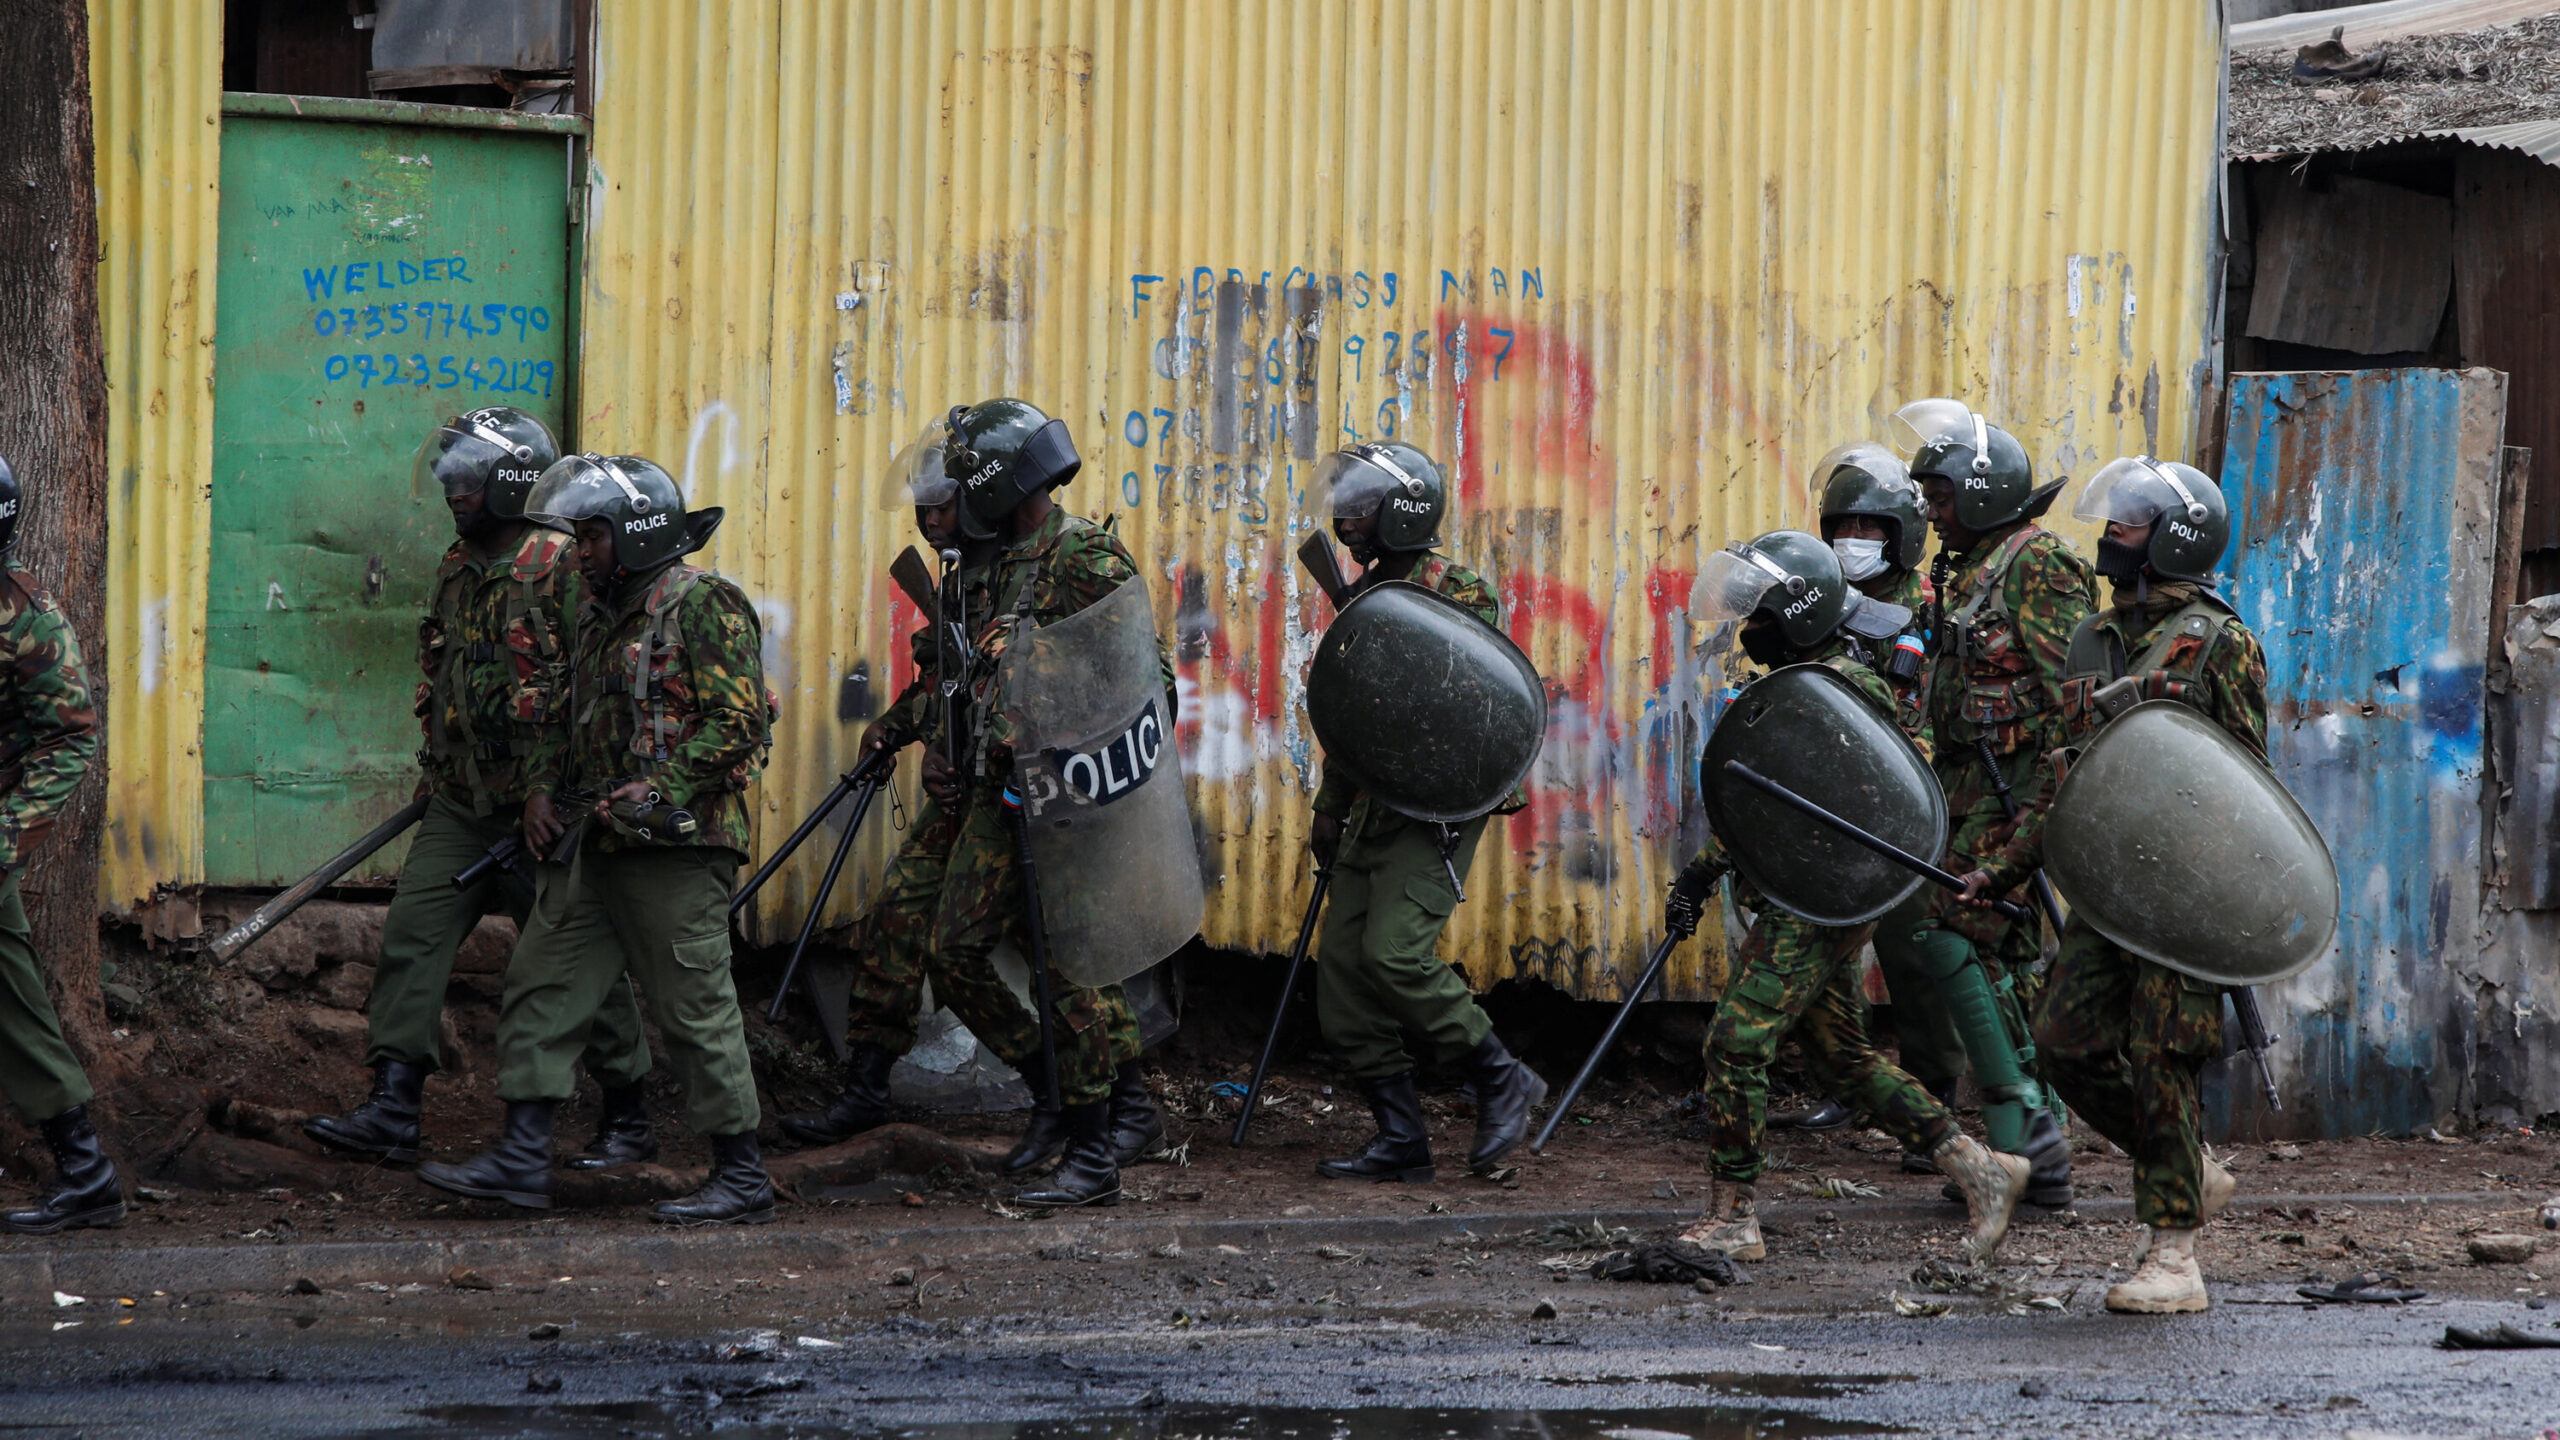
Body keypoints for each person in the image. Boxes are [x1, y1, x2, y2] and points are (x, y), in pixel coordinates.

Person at [776, 424, 1166, 1176]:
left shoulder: (1077, 558)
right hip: (976, 789)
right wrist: (915, 738)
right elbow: (953, 683)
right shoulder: (968, 575)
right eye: (924, 509)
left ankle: (1117, 1104)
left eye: (944, 506)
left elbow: (1140, 682)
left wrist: (1067, 760)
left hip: (1054, 796)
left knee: (1062, 954)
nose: (931, 522)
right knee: (906, 920)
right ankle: (901, 1082)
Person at [419, 453, 777, 1223]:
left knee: (694, 1009)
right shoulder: (593, 613)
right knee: (542, 987)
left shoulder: (704, 604)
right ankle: (520, 1159)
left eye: (593, 539)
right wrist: (543, 790)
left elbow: (741, 719)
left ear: (639, 534)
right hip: (594, 841)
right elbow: (566, 718)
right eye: (579, 539)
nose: (580, 554)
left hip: (676, 850)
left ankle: (743, 1174)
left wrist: (669, 786)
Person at [304, 409, 655, 1170]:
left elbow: (590, 685)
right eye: (450, 477)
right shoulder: (457, 565)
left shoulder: (564, 566)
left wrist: (560, 793)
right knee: (412, 941)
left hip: (547, 812)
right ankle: (394, 1106)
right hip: (464, 803)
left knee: (572, 963)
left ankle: (628, 1111)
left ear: (515, 480)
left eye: (469, 478)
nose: (453, 491)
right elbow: (446, 672)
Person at [1666, 530, 2028, 1262]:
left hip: (1821, 896)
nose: (1748, 629)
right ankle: (1979, 1169)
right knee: (1842, 1058)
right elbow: (1768, 809)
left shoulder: (1842, 691)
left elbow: (1876, 803)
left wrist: (1719, 870)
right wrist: (1704, 873)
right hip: (1802, 887)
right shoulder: (1804, 687)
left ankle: (1734, 1215)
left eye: (1759, 614)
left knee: (1736, 1044)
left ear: (1796, 616)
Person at [2034, 456, 2258, 1313]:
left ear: (2174, 537)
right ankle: (2189, 1168)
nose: (2110, 534)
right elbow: (2066, 770)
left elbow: (2251, 783)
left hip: (2187, 888)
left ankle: (2175, 1255)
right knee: (2062, 1039)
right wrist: (2013, 866)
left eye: (2128, 521)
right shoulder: (2094, 639)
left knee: (2165, 1058)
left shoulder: (2223, 643)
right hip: (2110, 883)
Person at [1303, 442, 1547, 1184]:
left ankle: (1503, 1077)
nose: (1349, 519)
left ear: (1403, 511)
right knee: (1343, 974)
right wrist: (1330, 807)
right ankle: (1400, 1136)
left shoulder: (1454, 591)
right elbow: (1354, 717)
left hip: (1437, 803)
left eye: (1364, 504)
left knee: (1395, 955)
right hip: (1372, 798)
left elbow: (1468, 705)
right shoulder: (1369, 590)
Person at [1867, 399, 2088, 1208]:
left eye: (1944, 496)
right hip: (1965, 789)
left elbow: (2075, 702)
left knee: (1957, 941)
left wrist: (2038, 825)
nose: (1930, 511)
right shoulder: (1963, 570)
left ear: (1987, 493)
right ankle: (2033, 1143)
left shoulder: (2038, 565)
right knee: (1987, 961)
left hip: (2019, 791)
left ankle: (2027, 1147)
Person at [1793, 443, 1966, 1145]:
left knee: (1912, 949)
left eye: (1869, 530)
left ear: (1902, 535)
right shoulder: (1822, 597)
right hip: (1829, 790)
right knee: (1820, 952)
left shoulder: (1922, 605)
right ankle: (1848, 1081)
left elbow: (1917, 703)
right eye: (1843, 529)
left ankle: (1933, 1092)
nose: (1853, 543)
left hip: (1904, 796)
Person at [0, 454, 124, 1237]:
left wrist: (5, 836)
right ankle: (85, 1170)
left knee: (14, 1002)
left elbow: (71, 740)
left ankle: (85, 1169)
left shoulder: (28, 619)